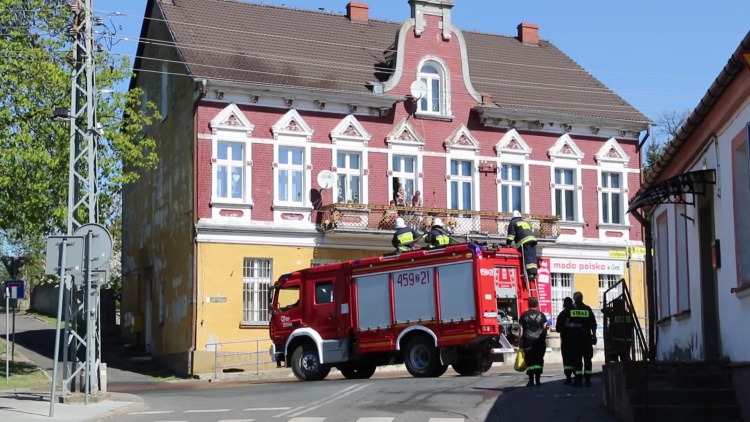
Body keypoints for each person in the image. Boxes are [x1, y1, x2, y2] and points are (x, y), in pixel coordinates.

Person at [569, 291, 597, 387]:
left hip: (576, 338)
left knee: (577, 360)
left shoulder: (571, 309)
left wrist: (572, 325)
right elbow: (593, 324)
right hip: (586, 337)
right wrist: (594, 335)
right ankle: (588, 380)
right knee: (587, 359)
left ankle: (578, 380)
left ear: (575, 299)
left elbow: (566, 323)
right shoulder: (587, 309)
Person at [519, 297, 548, 387]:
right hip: (539, 340)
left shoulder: (524, 315)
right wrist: (544, 337)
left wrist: (520, 341)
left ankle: (531, 380)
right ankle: (538, 380)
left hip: (528, 339)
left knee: (529, 359)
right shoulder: (542, 315)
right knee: (539, 358)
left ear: (528, 304)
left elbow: (521, 329)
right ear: (537, 305)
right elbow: (545, 327)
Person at [505, 210, 538, 280]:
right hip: (533, 240)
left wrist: (508, 244)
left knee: (527, 256)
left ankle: (530, 274)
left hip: (525, 241)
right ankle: (533, 273)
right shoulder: (524, 222)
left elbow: (511, 235)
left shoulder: (513, 222)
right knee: (532, 256)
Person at [603, 297, 634, 363]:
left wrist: (611, 308)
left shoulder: (613, 314)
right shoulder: (628, 315)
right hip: (626, 341)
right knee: (624, 358)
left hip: (615, 342)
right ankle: (626, 370)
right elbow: (632, 325)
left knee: (612, 358)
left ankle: (614, 369)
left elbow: (603, 310)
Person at [556, 297, 576, 385]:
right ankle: (577, 377)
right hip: (577, 339)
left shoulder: (562, 314)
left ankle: (568, 378)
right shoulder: (577, 313)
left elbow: (558, 329)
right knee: (576, 357)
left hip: (566, 339)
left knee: (567, 359)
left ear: (564, 304)